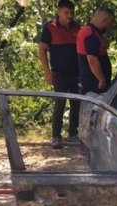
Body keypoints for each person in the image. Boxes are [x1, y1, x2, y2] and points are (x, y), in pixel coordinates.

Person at [38, 0, 81, 149]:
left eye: (71, 13)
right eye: (66, 12)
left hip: (76, 73)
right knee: (59, 103)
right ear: (58, 12)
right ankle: (56, 136)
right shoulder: (50, 27)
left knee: (76, 103)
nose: (69, 16)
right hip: (59, 73)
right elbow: (42, 50)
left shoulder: (77, 27)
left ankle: (73, 134)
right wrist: (47, 72)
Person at [77, 7, 114, 95]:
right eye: (109, 23)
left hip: (90, 82)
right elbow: (92, 59)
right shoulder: (91, 35)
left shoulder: (87, 30)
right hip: (93, 84)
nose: (109, 26)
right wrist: (101, 80)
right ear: (103, 21)